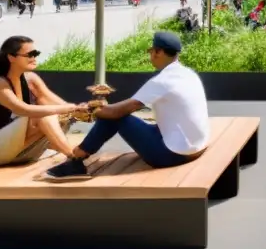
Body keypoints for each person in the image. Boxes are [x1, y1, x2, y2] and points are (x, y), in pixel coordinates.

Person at [43, 31, 211, 181]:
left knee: (116, 119)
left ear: (158, 52)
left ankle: (77, 158)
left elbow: (116, 113)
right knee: (121, 117)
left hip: (172, 155)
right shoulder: (189, 74)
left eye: (151, 51)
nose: (150, 55)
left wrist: (91, 109)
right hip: (197, 147)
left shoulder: (161, 81)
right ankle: (79, 155)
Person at [0, 36, 88, 167]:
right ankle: (73, 158)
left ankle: (67, 152)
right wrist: (67, 109)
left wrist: (81, 110)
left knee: (58, 115)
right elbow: (22, 109)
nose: (34, 58)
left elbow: (58, 105)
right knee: (43, 115)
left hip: (14, 150)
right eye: (29, 54)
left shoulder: (31, 80)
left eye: (35, 53)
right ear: (11, 57)